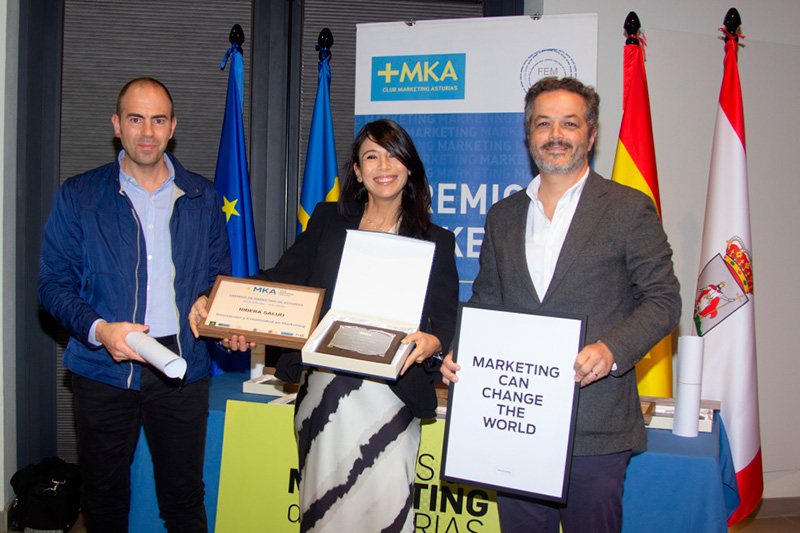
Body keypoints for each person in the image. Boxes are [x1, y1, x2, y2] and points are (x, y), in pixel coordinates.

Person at [189, 119, 459, 532]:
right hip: (325, 393)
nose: (383, 165)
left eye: (393, 154)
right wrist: (220, 304)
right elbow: (283, 277)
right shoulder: (329, 220)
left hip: (391, 397)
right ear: (356, 170)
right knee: (324, 514)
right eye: (371, 156)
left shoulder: (435, 238)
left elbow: (444, 311)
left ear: (410, 167)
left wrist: (433, 338)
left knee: (385, 515)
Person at [442, 77, 681, 533]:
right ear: (529, 134)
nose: (556, 135)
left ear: (590, 134)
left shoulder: (629, 209)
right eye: (543, 124)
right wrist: (462, 348)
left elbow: (663, 299)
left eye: (569, 124)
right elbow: (487, 300)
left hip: (595, 422)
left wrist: (612, 349)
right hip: (514, 425)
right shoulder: (504, 215)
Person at [38, 77, 231, 532]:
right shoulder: (79, 195)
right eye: (136, 119)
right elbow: (51, 284)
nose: (147, 131)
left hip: (181, 367)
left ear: (172, 127)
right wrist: (99, 328)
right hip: (102, 365)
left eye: (158, 120)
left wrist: (208, 302)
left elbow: (218, 279)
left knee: (184, 499)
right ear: (117, 125)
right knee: (104, 502)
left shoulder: (203, 198)